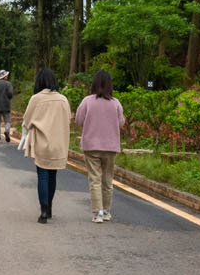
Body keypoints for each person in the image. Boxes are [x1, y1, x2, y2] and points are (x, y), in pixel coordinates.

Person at [17, 67, 70, 223]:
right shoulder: (63, 99)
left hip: (42, 142)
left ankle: (43, 211)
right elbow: (67, 120)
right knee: (53, 175)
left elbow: (26, 120)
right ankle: (50, 207)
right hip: (58, 143)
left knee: (43, 175)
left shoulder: (36, 99)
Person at [74, 68, 124, 222]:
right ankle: (107, 212)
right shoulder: (116, 103)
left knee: (95, 179)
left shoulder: (87, 101)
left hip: (91, 146)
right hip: (111, 146)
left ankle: (98, 213)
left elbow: (78, 120)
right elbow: (121, 123)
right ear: (110, 85)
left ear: (94, 84)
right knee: (107, 180)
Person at [0, 69, 14, 142]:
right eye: (6, 75)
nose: (7, 76)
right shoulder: (8, 84)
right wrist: (8, 98)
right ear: (4, 76)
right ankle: (7, 131)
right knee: (7, 120)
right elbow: (10, 93)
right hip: (6, 105)